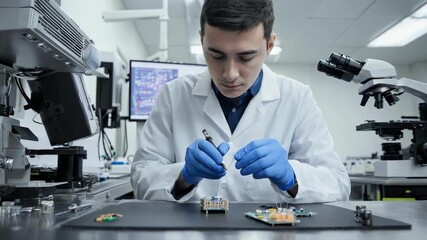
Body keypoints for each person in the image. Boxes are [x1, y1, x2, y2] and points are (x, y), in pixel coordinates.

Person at [131, 0, 350, 203]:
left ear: (270, 45)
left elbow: (338, 184)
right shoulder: (173, 95)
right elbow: (141, 176)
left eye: (245, 57)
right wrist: (183, 177)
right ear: (201, 40)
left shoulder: (297, 97)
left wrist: (290, 176)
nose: (230, 74)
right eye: (216, 55)